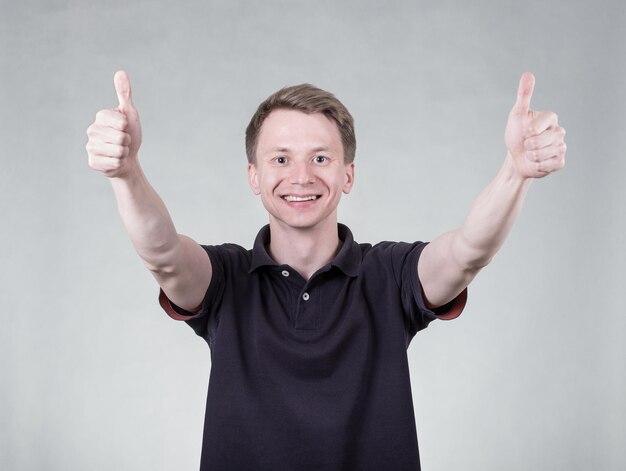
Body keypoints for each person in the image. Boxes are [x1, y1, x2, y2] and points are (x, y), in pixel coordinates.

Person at [85, 71, 566, 470]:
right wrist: (126, 175)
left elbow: (467, 252)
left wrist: (516, 171)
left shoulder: (390, 273)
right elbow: (164, 254)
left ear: (348, 175)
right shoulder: (225, 277)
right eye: (280, 159)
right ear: (254, 176)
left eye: (320, 158)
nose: (300, 177)